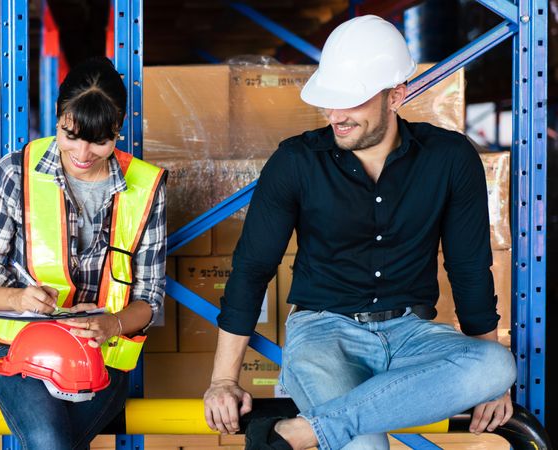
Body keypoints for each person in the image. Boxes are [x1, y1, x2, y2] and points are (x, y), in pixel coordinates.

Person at [202, 15, 516, 450]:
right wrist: (222, 379)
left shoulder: (449, 158)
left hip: (411, 334)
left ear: (397, 95)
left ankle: (300, 432)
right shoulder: (296, 161)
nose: (335, 115)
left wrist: (489, 387)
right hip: (322, 334)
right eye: (329, 101)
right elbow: (252, 269)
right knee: (365, 446)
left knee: (497, 366)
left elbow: (469, 269)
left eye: (350, 101)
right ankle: (330, 427)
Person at [0, 56, 168, 450]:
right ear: (58, 117)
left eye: (99, 140)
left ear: (118, 128)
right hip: (21, 351)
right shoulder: (16, 172)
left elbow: (150, 300)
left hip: (101, 356)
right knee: (50, 441)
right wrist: (17, 298)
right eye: (70, 134)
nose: (83, 152)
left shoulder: (146, 186)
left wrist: (111, 324)